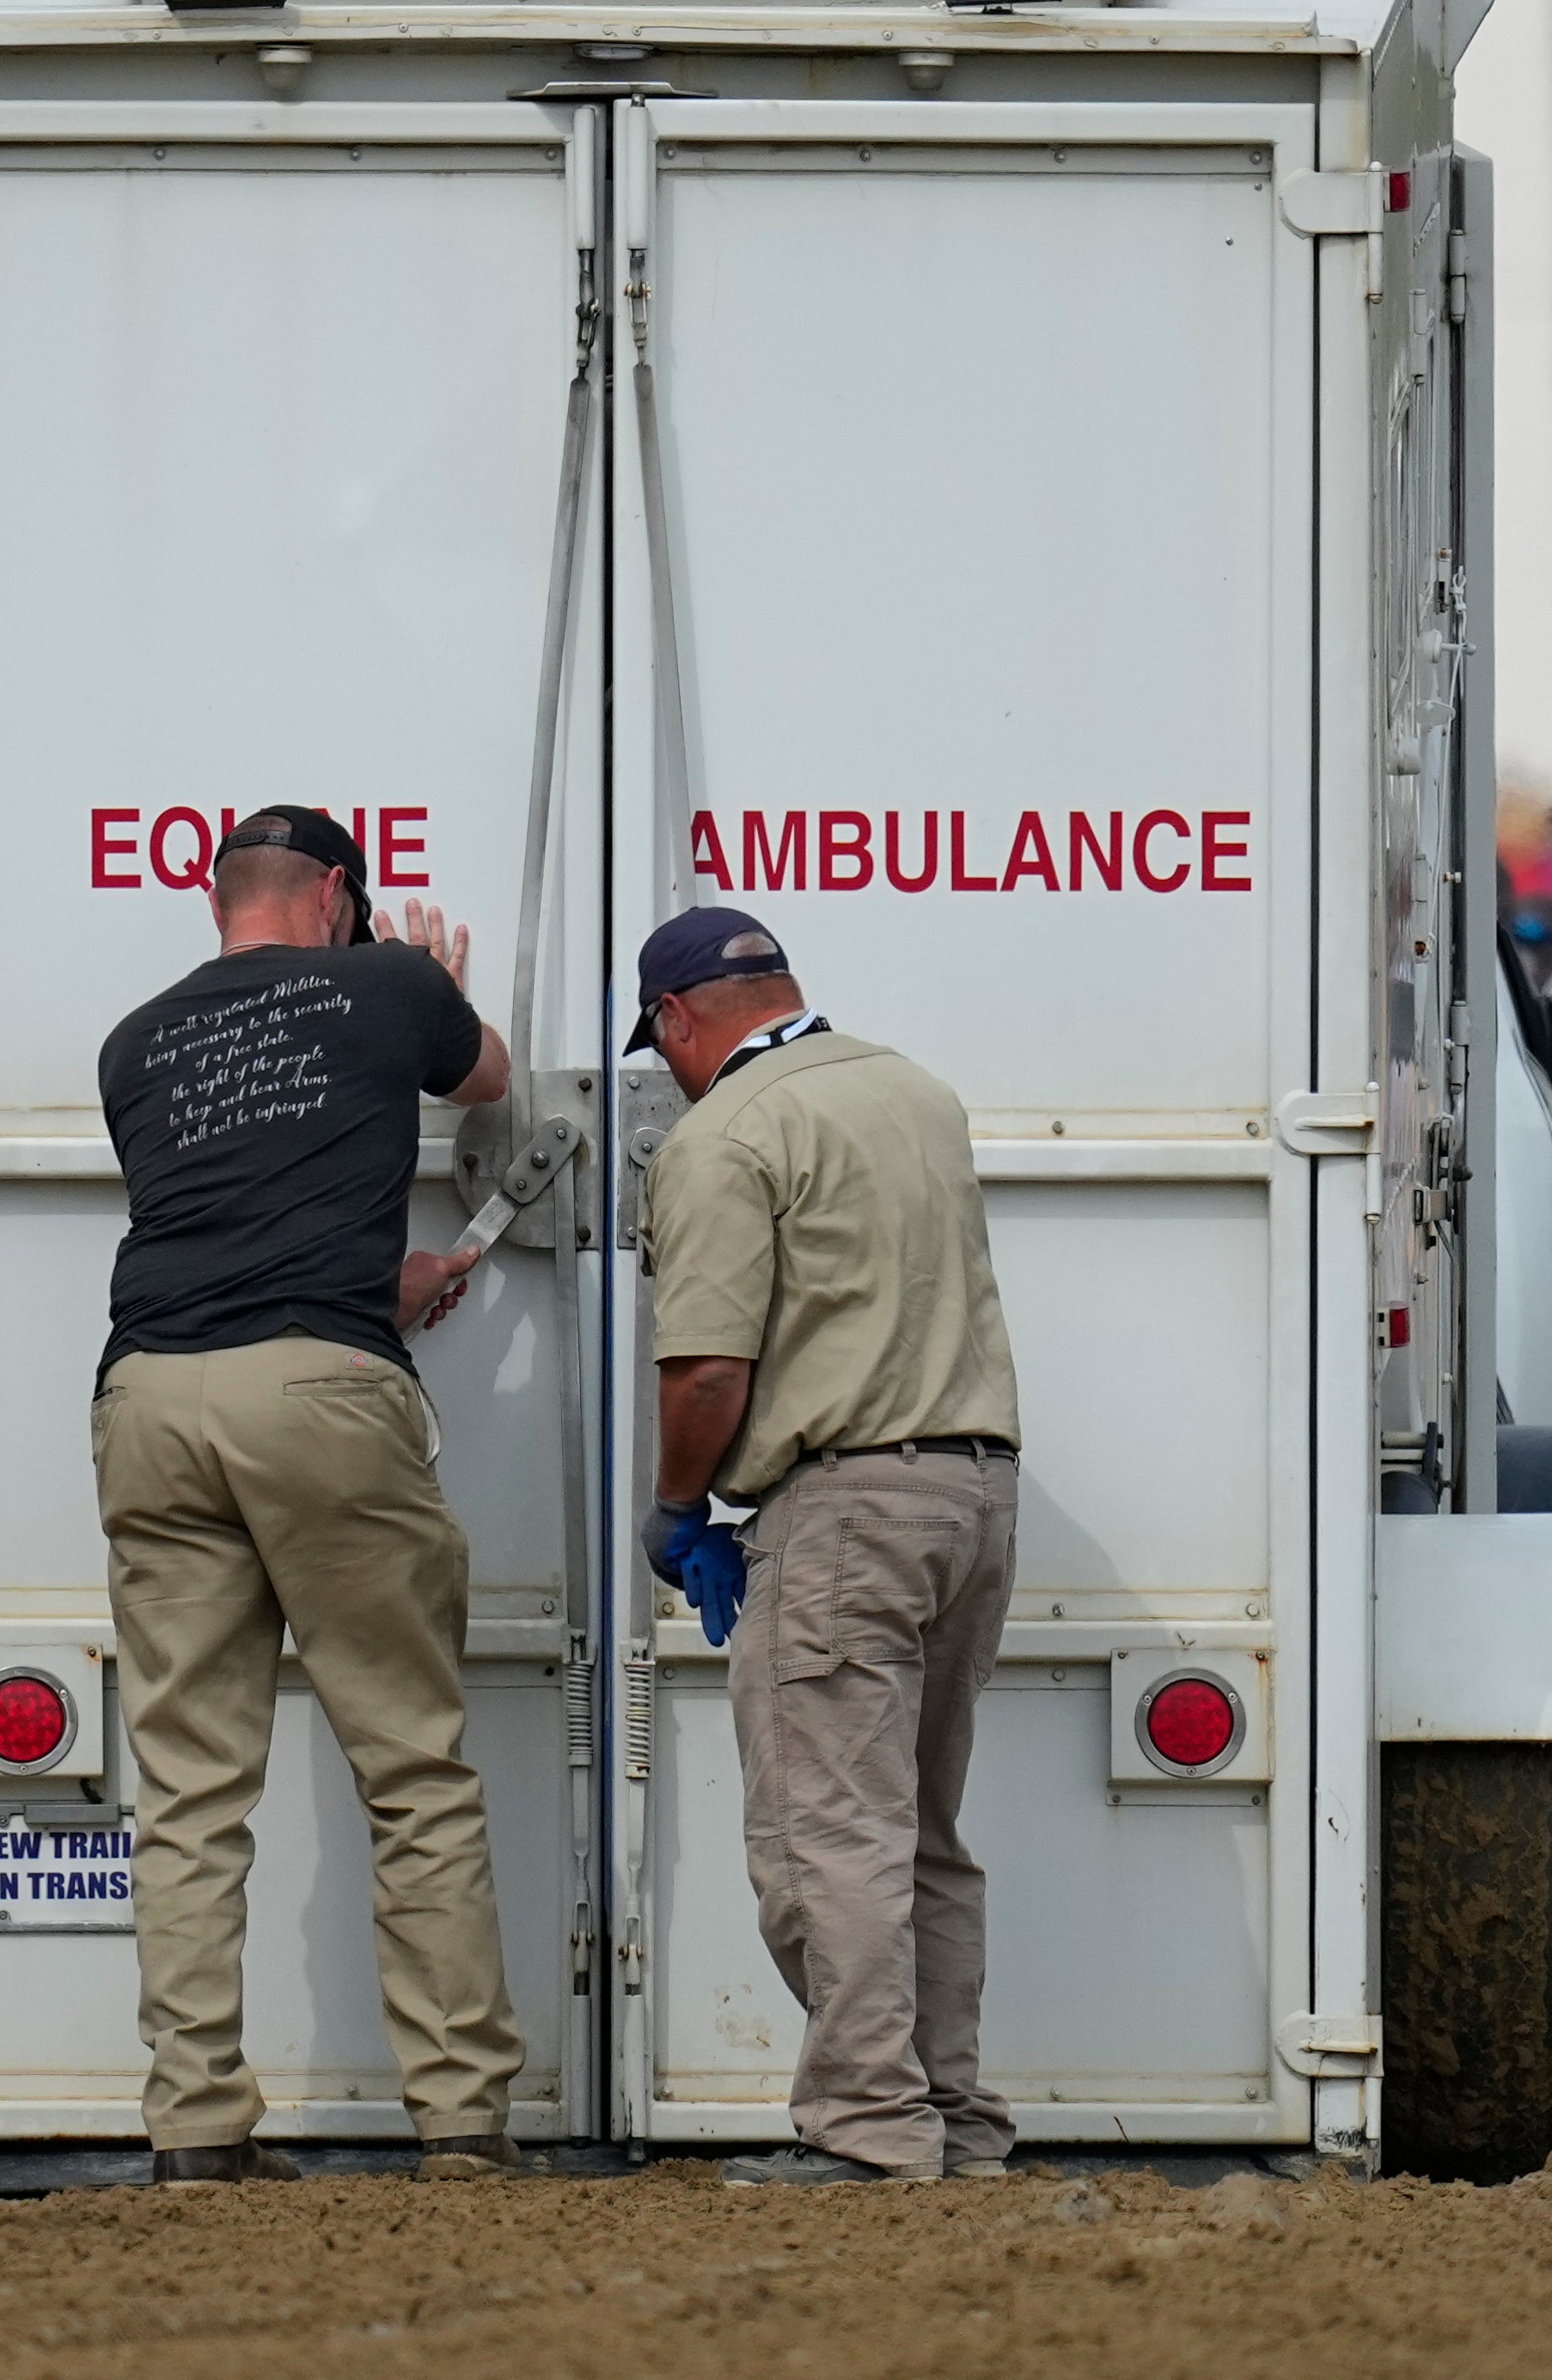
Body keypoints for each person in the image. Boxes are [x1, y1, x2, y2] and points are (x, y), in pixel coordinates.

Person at [89, 803, 519, 2184]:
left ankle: (195, 2130)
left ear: (216, 905)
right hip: (320, 1398)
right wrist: (429, 979)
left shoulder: (134, 1040)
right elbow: (490, 1080)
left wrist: (355, 1264)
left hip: (150, 1394)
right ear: (337, 894)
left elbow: (232, 1211)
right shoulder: (386, 979)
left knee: (190, 1789)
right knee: (410, 1764)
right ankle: (457, 2120)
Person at [629, 907, 1020, 2185]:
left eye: (661, 1048)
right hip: (970, 1495)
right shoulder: (915, 1090)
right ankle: (949, 2121)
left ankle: (865, 2130)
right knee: (921, 1836)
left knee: (824, 1838)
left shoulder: (726, 1133)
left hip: (844, 1504)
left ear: (680, 1021)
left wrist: (680, 1509)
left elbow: (703, 1374)